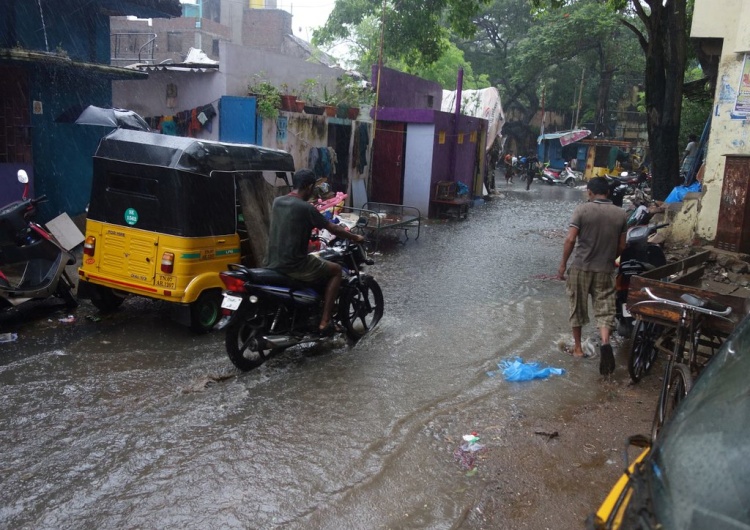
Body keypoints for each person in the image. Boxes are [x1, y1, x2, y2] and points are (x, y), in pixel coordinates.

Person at [265, 168, 366, 336]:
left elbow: (290, 225)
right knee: (336, 270)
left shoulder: (277, 202)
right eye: (313, 187)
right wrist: (355, 237)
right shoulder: (306, 208)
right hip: (294, 264)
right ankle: (325, 322)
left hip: (271, 260)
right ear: (309, 186)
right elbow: (333, 228)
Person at [558, 176, 628, 375]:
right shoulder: (621, 214)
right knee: (605, 310)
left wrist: (563, 265)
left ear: (590, 191)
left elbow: (570, 240)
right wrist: (609, 258)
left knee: (577, 308)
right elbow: (623, 246)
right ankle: (605, 342)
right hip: (605, 270)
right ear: (607, 192)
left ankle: (578, 349)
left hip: (581, 268)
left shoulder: (582, 210)